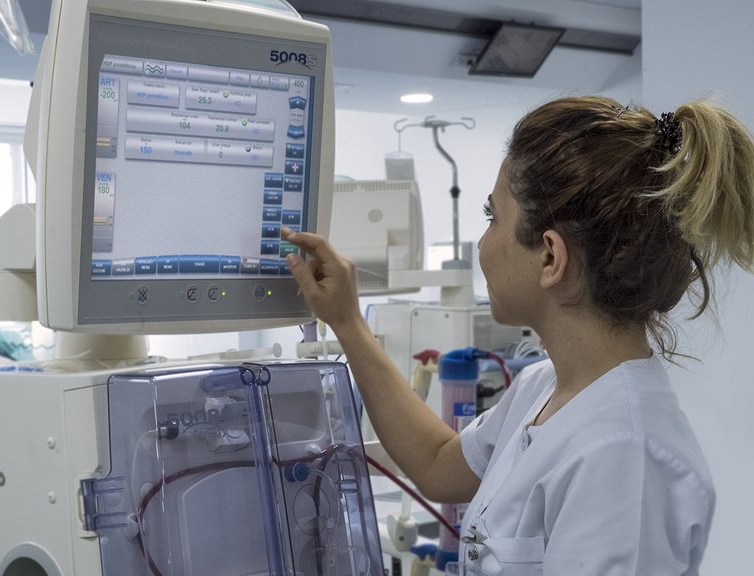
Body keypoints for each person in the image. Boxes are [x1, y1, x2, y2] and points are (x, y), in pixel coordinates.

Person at [281, 95, 754, 575]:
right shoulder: (547, 386)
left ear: (550, 257)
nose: (483, 244)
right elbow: (437, 463)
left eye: (493, 218)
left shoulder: (624, 459)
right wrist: (348, 322)